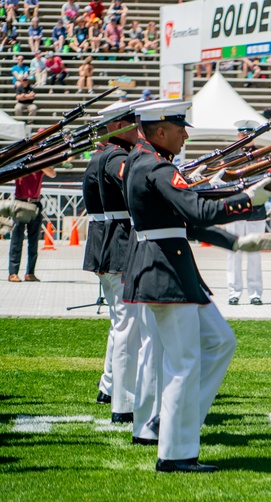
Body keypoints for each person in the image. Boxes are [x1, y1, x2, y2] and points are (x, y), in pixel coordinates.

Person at [122, 99, 271, 472]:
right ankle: (175, 452)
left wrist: (234, 242)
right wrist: (245, 200)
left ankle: (174, 420)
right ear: (160, 132)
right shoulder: (155, 167)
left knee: (221, 341)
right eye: (179, 128)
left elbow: (187, 223)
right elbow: (196, 211)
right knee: (183, 363)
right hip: (166, 272)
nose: (185, 134)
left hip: (173, 270)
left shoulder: (148, 163)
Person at [86, 99, 137, 416]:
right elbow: (137, 186)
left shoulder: (103, 156)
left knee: (120, 323)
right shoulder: (115, 157)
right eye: (133, 122)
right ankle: (124, 399)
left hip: (108, 243)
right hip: (117, 245)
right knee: (127, 326)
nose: (140, 129)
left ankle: (109, 386)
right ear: (119, 126)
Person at [223, 120, 267, 306]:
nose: (246, 138)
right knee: (234, 252)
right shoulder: (230, 157)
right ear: (238, 137)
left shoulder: (261, 156)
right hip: (236, 208)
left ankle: (255, 293)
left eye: (249, 135)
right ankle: (234, 291)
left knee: (254, 254)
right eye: (243, 135)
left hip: (256, 211)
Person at [8, 164, 56, 283]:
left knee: (33, 241)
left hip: (35, 202)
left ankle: (30, 272)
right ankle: (13, 272)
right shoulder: (21, 163)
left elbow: (53, 174)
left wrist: (39, 164)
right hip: (21, 202)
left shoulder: (40, 164)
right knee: (17, 240)